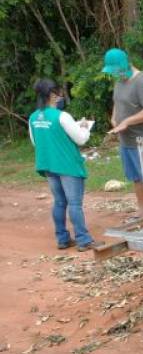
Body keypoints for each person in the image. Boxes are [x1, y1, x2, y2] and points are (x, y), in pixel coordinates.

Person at [28, 79, 98, 251]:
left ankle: (62, 239)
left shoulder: (33, 117)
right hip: (67, 165)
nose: (60, 96)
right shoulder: (62, 116)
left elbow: (35, 141)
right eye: (58, 93)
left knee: (59, 202)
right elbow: (81, 139)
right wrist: (85, 128)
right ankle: (83, 240)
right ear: (52, 95)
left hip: (48, 165)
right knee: (74, 204)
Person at [102, 48, 143, 219]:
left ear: (125, 65)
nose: (115, 75)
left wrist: (127, 121)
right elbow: (117, 103)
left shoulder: (142, 82)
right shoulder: (120, 80)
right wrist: (114, 118)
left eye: (117, 71)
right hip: (126, 140)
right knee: (136, 177)